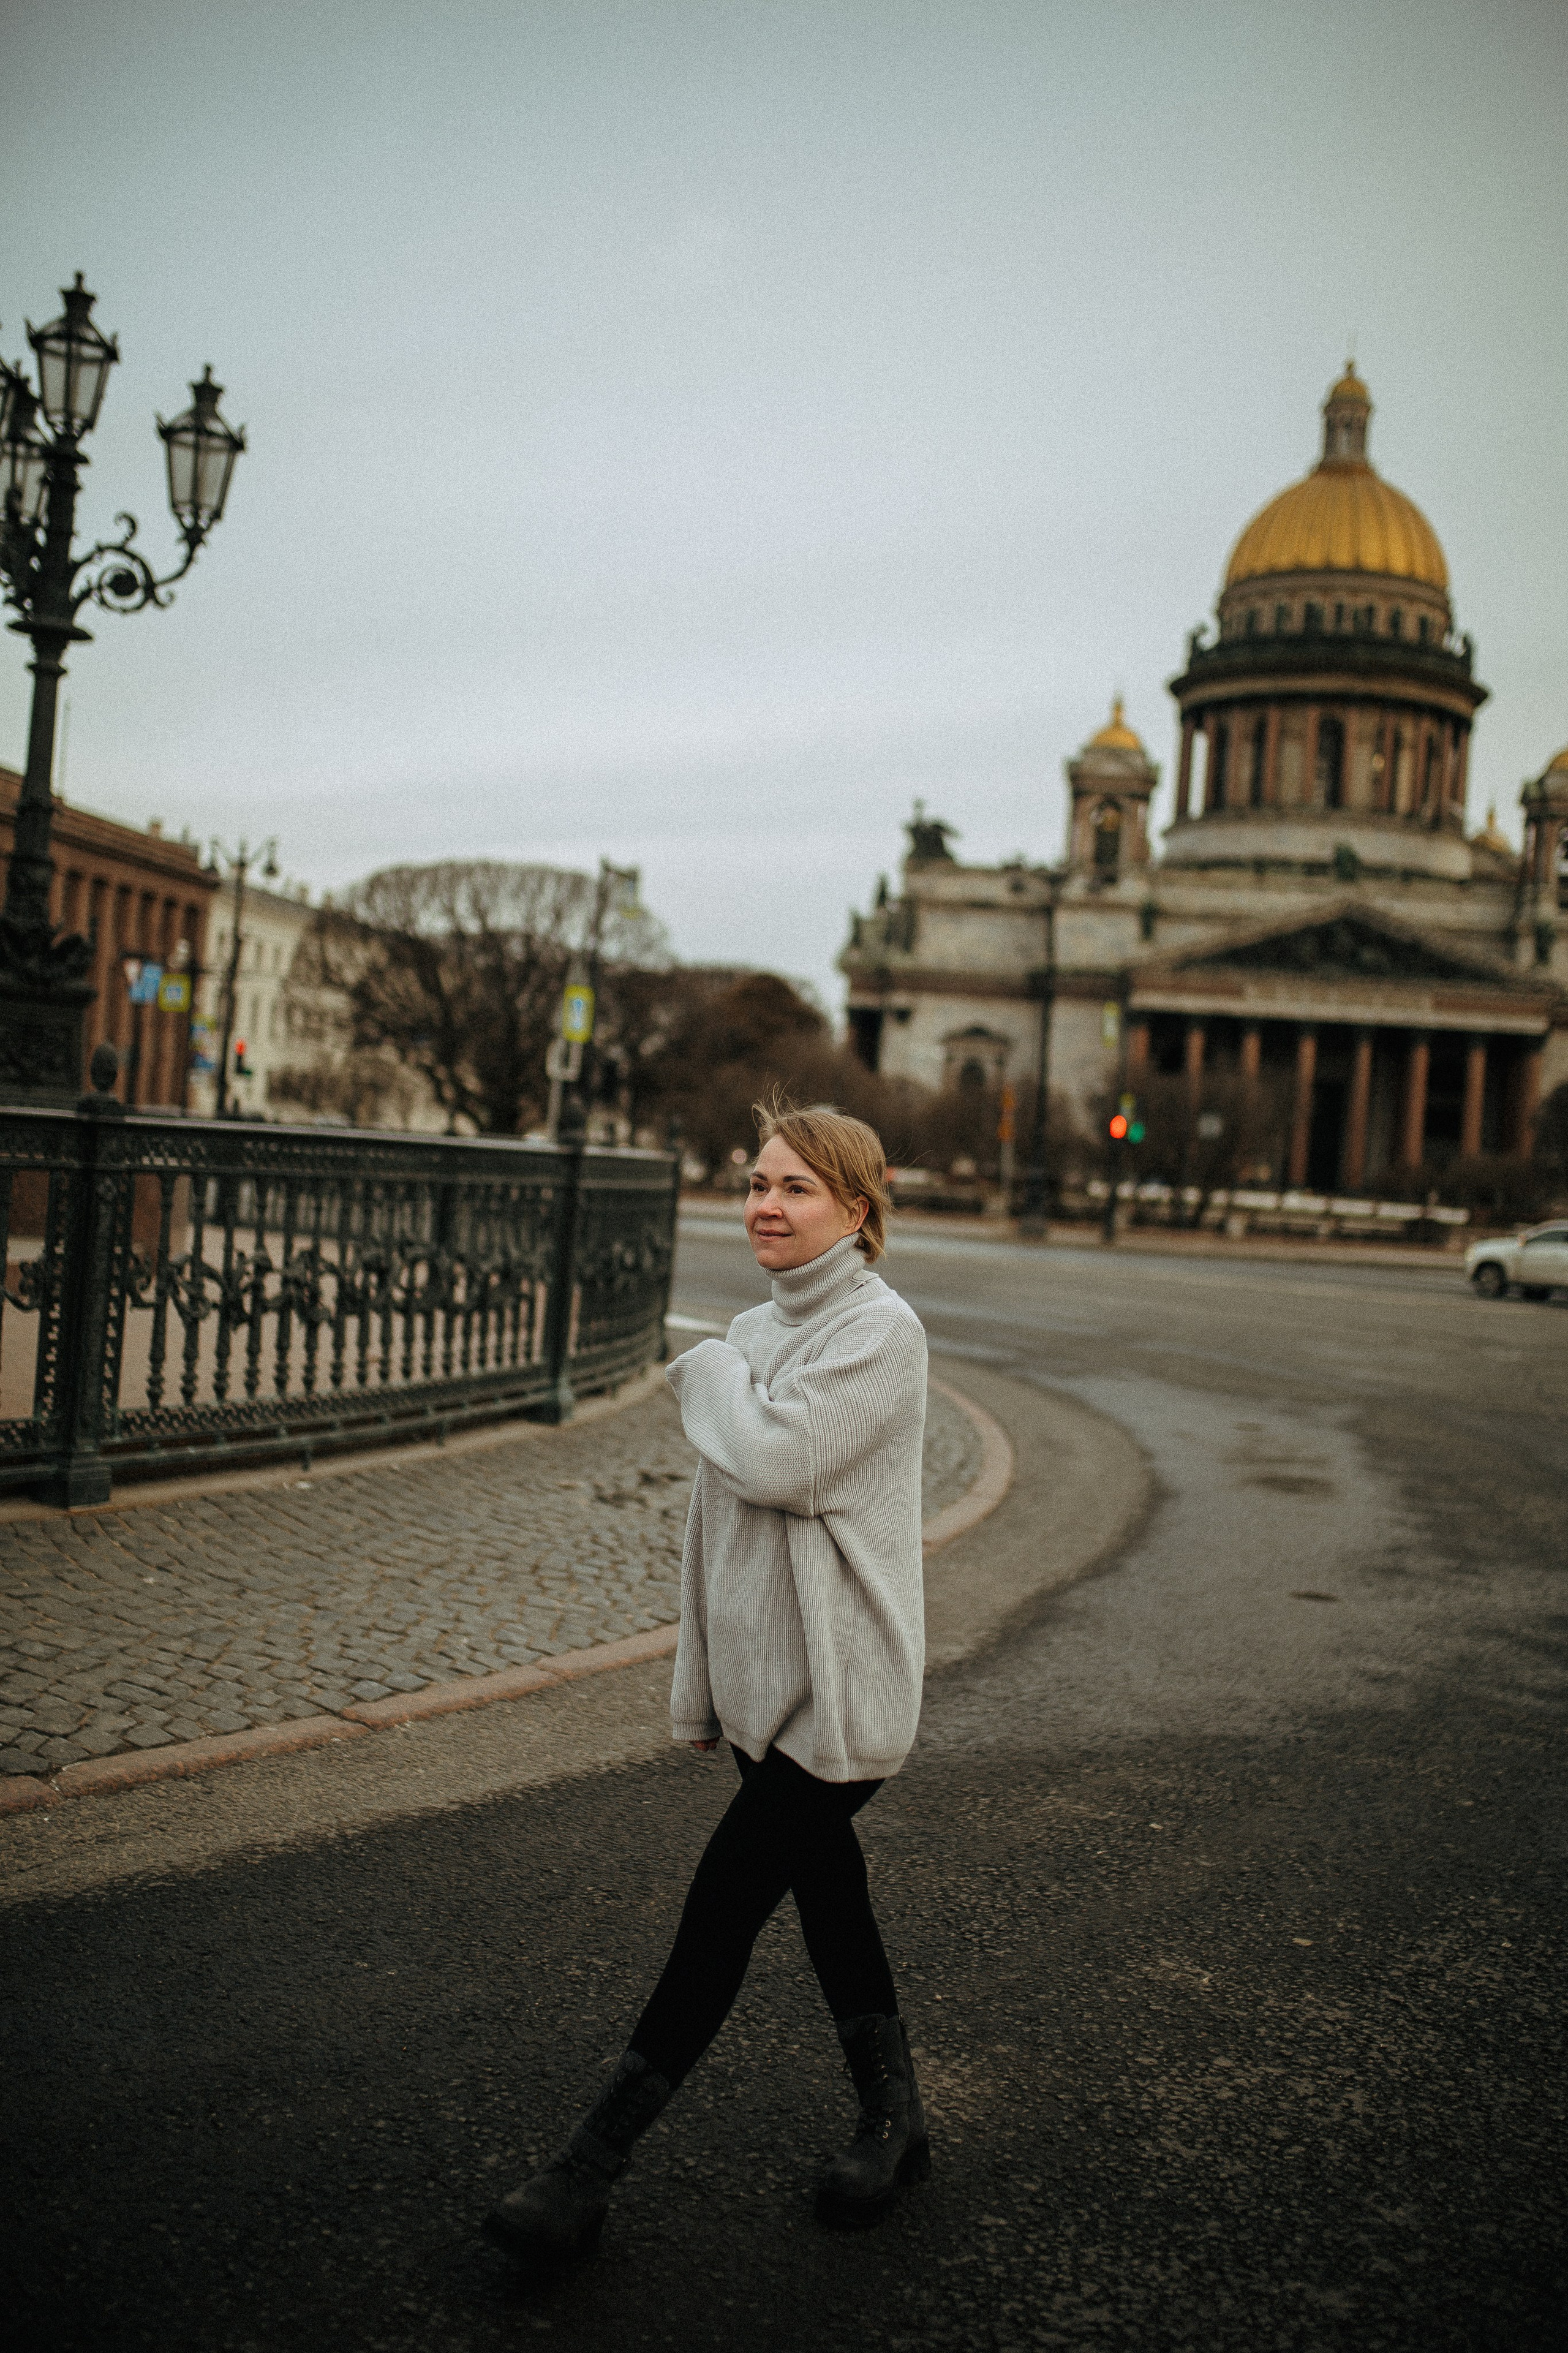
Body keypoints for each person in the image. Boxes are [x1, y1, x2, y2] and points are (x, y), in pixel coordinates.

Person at [484, 1099, 929, 2264]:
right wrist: (703, 1690)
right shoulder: (750, 1332)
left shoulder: (879, 1332)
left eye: (795, 1188)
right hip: (766, 1695)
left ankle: (587, 2170)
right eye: (756, 1183)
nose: (765, 1206)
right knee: (831, 1901)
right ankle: (896, 2119)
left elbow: (774, 1462)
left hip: (839, 1693)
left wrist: (710, 1376)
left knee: (721, 1910)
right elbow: (714, 1539)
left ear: (857, 1210)